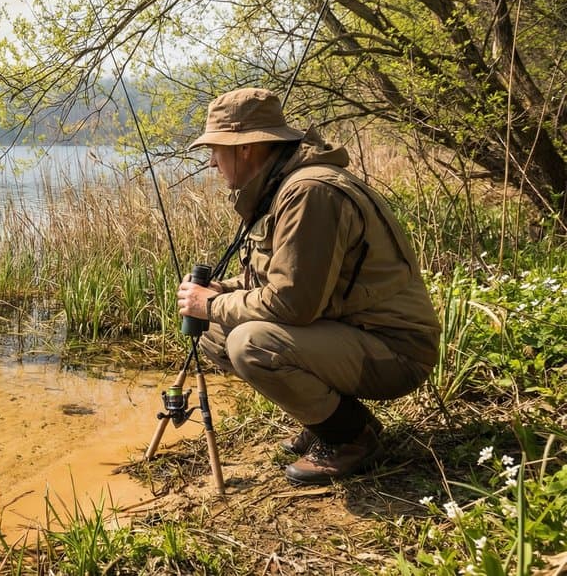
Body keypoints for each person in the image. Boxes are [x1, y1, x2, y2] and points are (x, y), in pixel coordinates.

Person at [175, 87, 440, 485]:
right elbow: (274, 278)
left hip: (395, 350)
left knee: (250, 343)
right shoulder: (282, 186)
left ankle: (351, 439)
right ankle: (337, 419)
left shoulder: (309, 192)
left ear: (246, 148)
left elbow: (293, 304)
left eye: (216, 149)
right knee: (213, 333)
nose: (212, 162)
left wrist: (212, 304)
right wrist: (220, 291)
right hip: (351, 333)